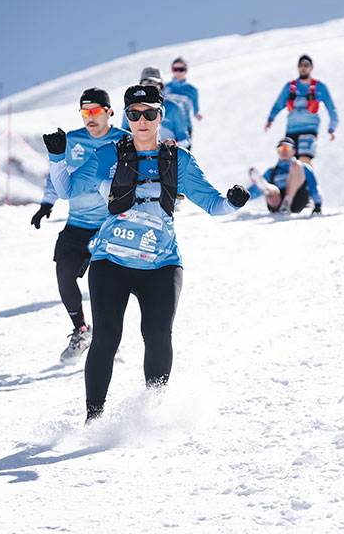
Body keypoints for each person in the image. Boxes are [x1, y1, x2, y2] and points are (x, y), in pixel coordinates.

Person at [70, 84, 249, 423]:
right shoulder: (109, 154)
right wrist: (56, 161)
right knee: (107, 337)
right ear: (126, 117)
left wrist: (233, 202)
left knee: (156, 334)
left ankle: (150, 412)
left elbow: (213, 204)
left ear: (160, 116)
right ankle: (94, 419)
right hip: (111, 261)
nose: (142, 120)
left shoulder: (179, 160)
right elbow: (70, 188)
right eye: (134, 115)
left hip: (162, 263)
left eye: (149, 113)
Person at [39, 88, 128, 362]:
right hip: (77, 222)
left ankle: (109, 338)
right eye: (84, 112)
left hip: (110, 225)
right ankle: (81, 330)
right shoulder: (72, 139)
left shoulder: (123, 140)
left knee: (106, 285)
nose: (89, 117)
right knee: (64, 275)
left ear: (109, 112)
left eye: (95, 111)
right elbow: (58, 175)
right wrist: (46, 202)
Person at [266, 54, 339, 163]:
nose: (303, 67)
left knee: (304, 161)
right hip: (291, 129)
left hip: (309, 129)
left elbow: (331, 108)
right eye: (300, 65)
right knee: (288, 162)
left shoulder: (320, 87)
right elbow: (278, 104)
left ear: (311, 67)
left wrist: (332, 128)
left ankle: (309, 179)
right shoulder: (290, 87)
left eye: (306, 65)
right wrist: (270, 119)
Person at [248, 137, 323, 215]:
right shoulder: (272, 171)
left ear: (294, 151)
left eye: (287, 148)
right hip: (277, 202)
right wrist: (242, 196)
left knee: (296, 165)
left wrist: (318, 204)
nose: (284, 151)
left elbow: (313, 186)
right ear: (278, 152)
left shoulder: (303, 168)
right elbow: (255, 189)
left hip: (296, 200)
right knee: (272, 189)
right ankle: (267, 190)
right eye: (281, 148)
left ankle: (287, 202)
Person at [124, 66, 190, 148]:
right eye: (145, 83)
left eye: (154, 83)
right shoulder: (131, 108)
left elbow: (185, 140)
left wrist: (174, 145)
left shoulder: (173, 108)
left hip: (168, 158)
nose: (149, 86)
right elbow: (123, 134)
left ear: (161, 85)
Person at [163, 57, 202, 146]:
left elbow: (196, 109)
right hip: (169, 128)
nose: (178, 72)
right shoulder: (166, 88)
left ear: (185, 70)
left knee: (183, 156)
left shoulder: (192, 90)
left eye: (181, 69)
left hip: (184, 128)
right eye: (175, 69)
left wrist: (198, 114)